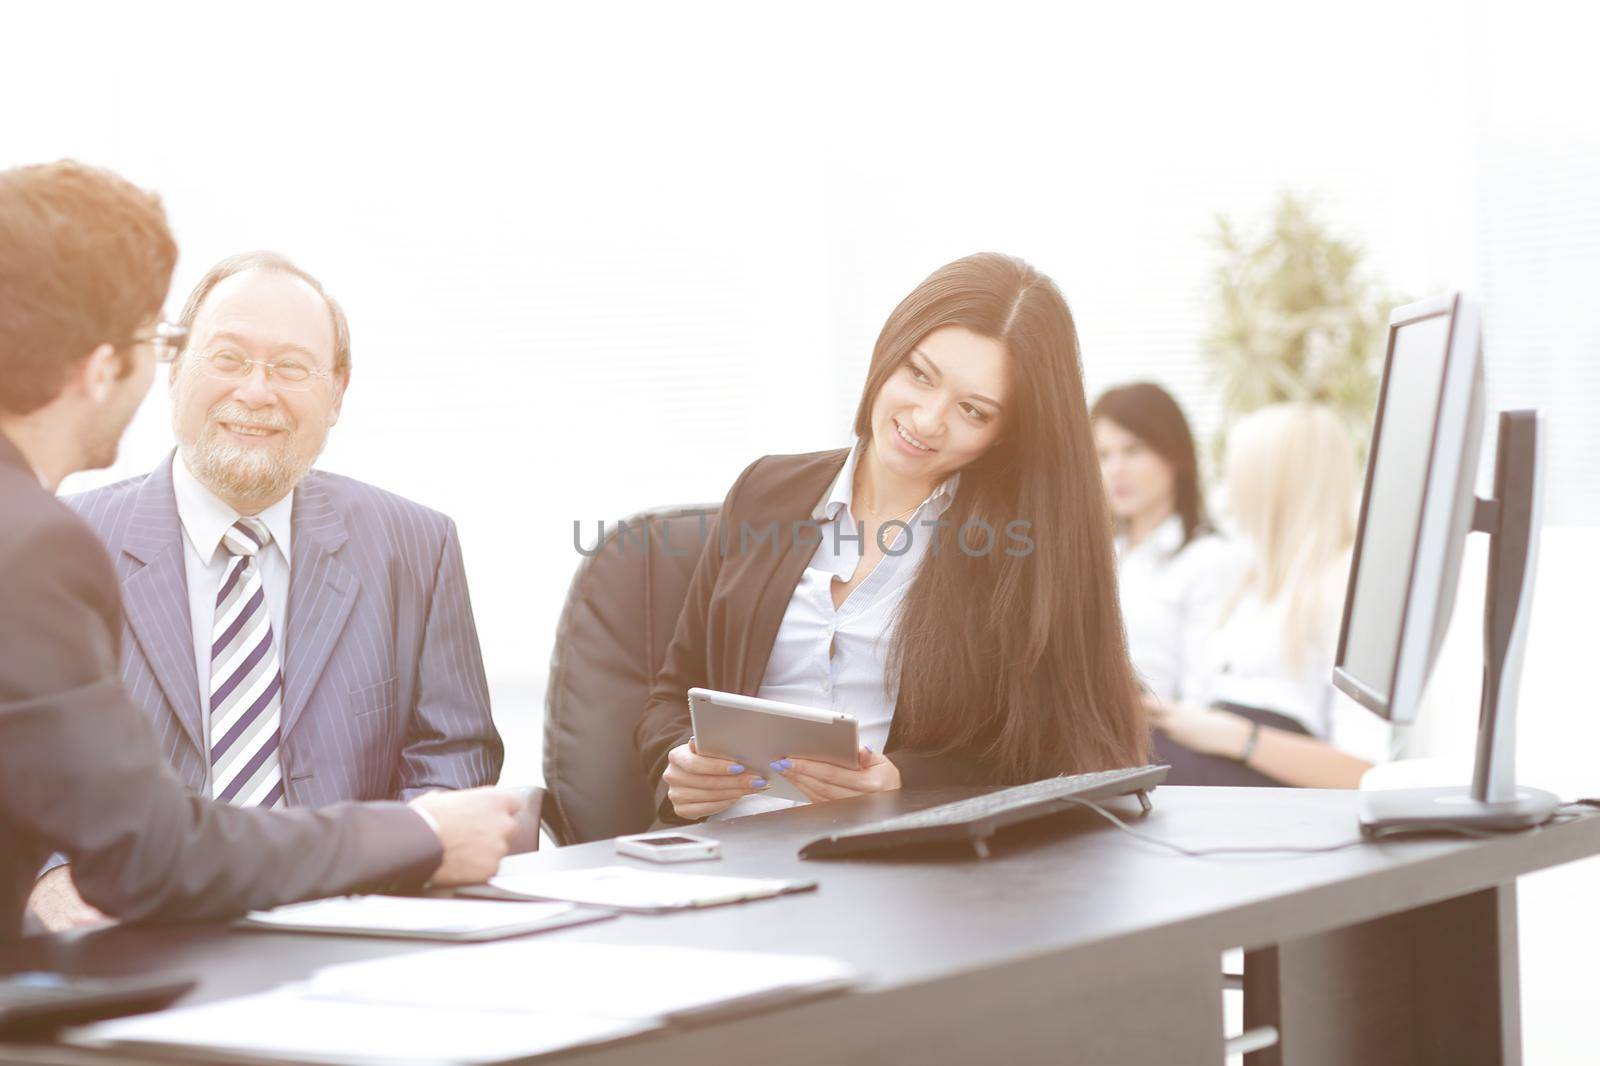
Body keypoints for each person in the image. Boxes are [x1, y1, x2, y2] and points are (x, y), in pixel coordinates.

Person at [0, 159, 520, 943]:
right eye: (216, 354)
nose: (255, 392)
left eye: (290, 368)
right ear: (129, 366)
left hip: (354, 938)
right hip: (123, 946)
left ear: (338, 391)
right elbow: (129, 838)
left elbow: (452, 761)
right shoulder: (50, 546)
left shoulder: (415, 544)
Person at [635, 252, 1147, 822]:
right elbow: (669, 699)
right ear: (888, 352)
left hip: (903, 872)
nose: (927, 420)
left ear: (1006, 435)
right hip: (723, 861)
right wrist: (679, 766)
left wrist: (905, 782)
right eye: (919, 375)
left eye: (973, 411)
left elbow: (1061, 752)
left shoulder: (1022, 547)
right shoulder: (765, 491)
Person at [1147, 403, 1393, 788]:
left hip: (1264, 776)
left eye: (1237, 479)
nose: (1226, 495)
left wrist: (1239, 738)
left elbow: (1362, 771)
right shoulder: (1248, 581)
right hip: (1213, 755)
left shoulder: (1347, 583)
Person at [1092, 381, 1235, 704]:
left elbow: (1201, 698)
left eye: (1133, 451)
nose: (1116, 470)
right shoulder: (1105, 553)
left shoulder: (1207, 559)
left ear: (1173, 456)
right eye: (1103, 455)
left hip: (1158, 740)